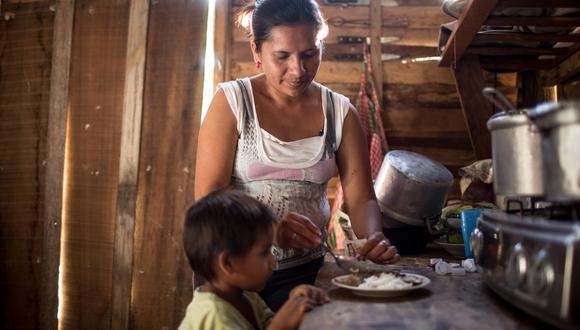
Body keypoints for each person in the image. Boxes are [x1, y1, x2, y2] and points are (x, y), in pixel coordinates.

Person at [195, 0, 400, 311]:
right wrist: (271, 230)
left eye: (309, 54)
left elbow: (361, 199)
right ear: (256, 52)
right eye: (282, 57)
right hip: (234, 274)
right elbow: (209, 198)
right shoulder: (232, 103)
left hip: (307, 273)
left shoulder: (340, 113)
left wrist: (372, 238)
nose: (298, 70)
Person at [180, 190, 329, 330]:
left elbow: (267, 324)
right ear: (228, 263)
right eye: (265, 253)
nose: (273, 262)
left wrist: (295, 302)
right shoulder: (214, 315)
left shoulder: (246, 297)